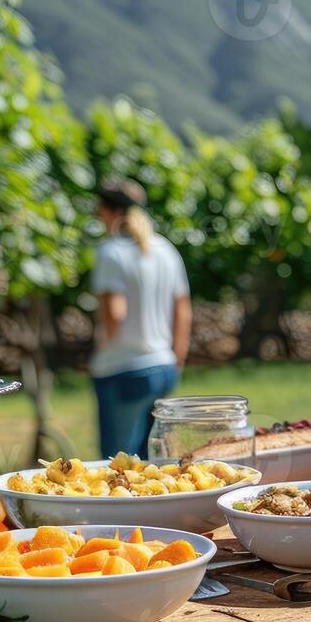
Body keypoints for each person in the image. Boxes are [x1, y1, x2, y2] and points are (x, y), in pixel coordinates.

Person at [90, 177, 191, 458]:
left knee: (116, 462)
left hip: (122, 369)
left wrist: (101, 354)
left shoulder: (111, 253)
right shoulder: (166, 250)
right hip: (163, 366)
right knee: (153, 460)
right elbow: (183, 310)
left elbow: (115, 313)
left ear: (110, 211)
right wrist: (176, 358)